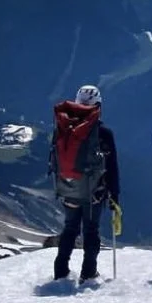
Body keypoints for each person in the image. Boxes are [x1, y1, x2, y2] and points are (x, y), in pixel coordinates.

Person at [50, 84, 120, 281]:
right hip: (93, 193)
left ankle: (60, 271)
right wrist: (115, 194)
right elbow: (112, 167)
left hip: (68, 188)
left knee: (69, 227)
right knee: (91, 230)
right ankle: (88, 273)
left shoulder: (62, 129)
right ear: (99, 106)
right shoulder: (104, 133)